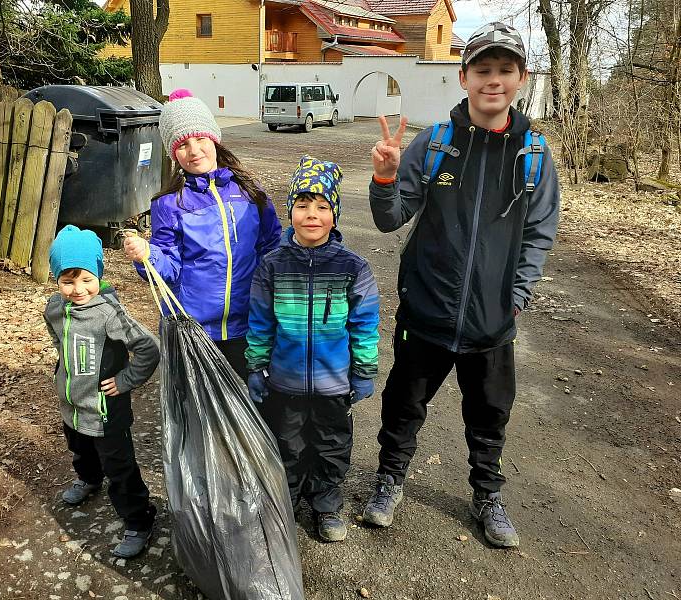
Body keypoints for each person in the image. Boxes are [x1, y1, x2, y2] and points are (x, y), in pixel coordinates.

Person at [362, 22, 560, 548]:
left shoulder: (534, 154)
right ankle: (389, 480)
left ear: (521, 78)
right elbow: (390, 218)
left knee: (489, 414)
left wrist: (514, 299)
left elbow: (539, 234)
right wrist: (385, 177)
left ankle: (487, 496)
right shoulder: (436, 142)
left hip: (491, 322)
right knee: (404, 403)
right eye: (482, 70)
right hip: (426, 311)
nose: (492, 80)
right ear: (463, 77)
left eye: (504, 70)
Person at [245, 156, 380, 543]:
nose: (312, 215)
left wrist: (364, 371)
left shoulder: (353, 268)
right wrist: (255, 367)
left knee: (331, 446)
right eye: (302, 205)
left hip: (333, 384)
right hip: (284, 381)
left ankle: (325, 504)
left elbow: (365, 324)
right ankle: (284, 502)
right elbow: (260, 322)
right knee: (285, 443)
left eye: (322, 207)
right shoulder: (272, 266)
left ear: (334, 214)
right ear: (291, 211)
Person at [122, 89, 281, 380]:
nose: (193, 151)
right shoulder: (169, 204)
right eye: (182, 145)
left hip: (249, 326)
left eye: (200, 139)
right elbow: (168, 269)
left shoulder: (250, 191)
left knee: (251, 407)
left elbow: (272, 246)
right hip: (194, 330)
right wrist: (148, 255)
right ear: (173, 153)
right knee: (200, 413)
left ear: (214, 139)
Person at [44, 225, 161, 559]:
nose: (77, 289)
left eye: (86, 279)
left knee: (120, 468)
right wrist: (62, 371)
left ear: (98, 274)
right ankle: (88, 479)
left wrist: (125, 381)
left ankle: (139, 519)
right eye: (67, 281)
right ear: (56, 280)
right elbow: (57, 338)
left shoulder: (109, 313)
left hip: (106, 410)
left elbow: (148, 349)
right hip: (72, 404)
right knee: (80, 448)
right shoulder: (55, 307)